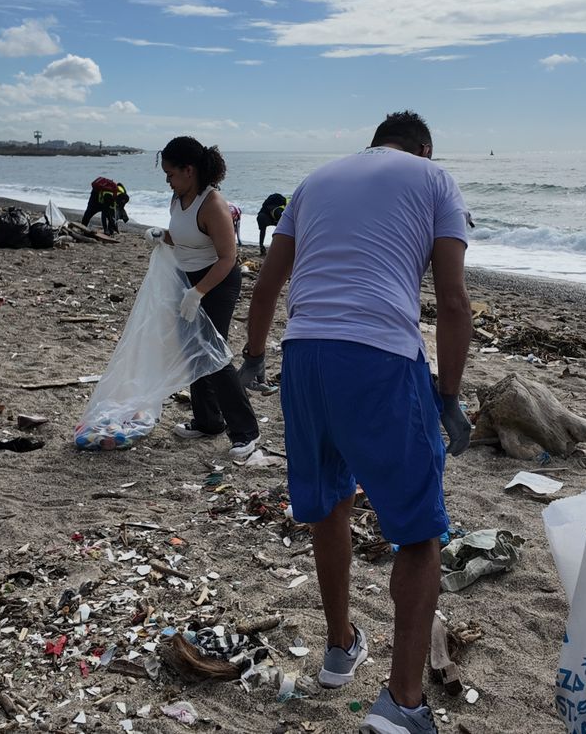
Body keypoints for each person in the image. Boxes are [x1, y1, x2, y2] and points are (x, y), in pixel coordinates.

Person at [239, 111, 472, 734]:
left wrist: (256, 358)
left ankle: (341, 646)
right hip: (378, 359)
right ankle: (401, 702)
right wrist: (448, 393)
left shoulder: (314, 181)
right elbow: (451, 299)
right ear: (424, 148)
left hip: (305, 355)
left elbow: (267, 286)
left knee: (331, 506)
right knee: (418, 533)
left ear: (372, 142)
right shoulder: (434, 178)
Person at [160, 136, 260, 460]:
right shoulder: (177, 198)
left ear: (189, 170)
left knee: (213, 352)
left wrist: (199, 291)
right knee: (192, 350)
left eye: (171, 173)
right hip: (189, 279)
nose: (168, 180)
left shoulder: (212, 203)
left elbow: (229, 258)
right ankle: (208, 421)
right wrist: (160, 237)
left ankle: (246, 432)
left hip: (217, 281)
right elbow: (179, 233)